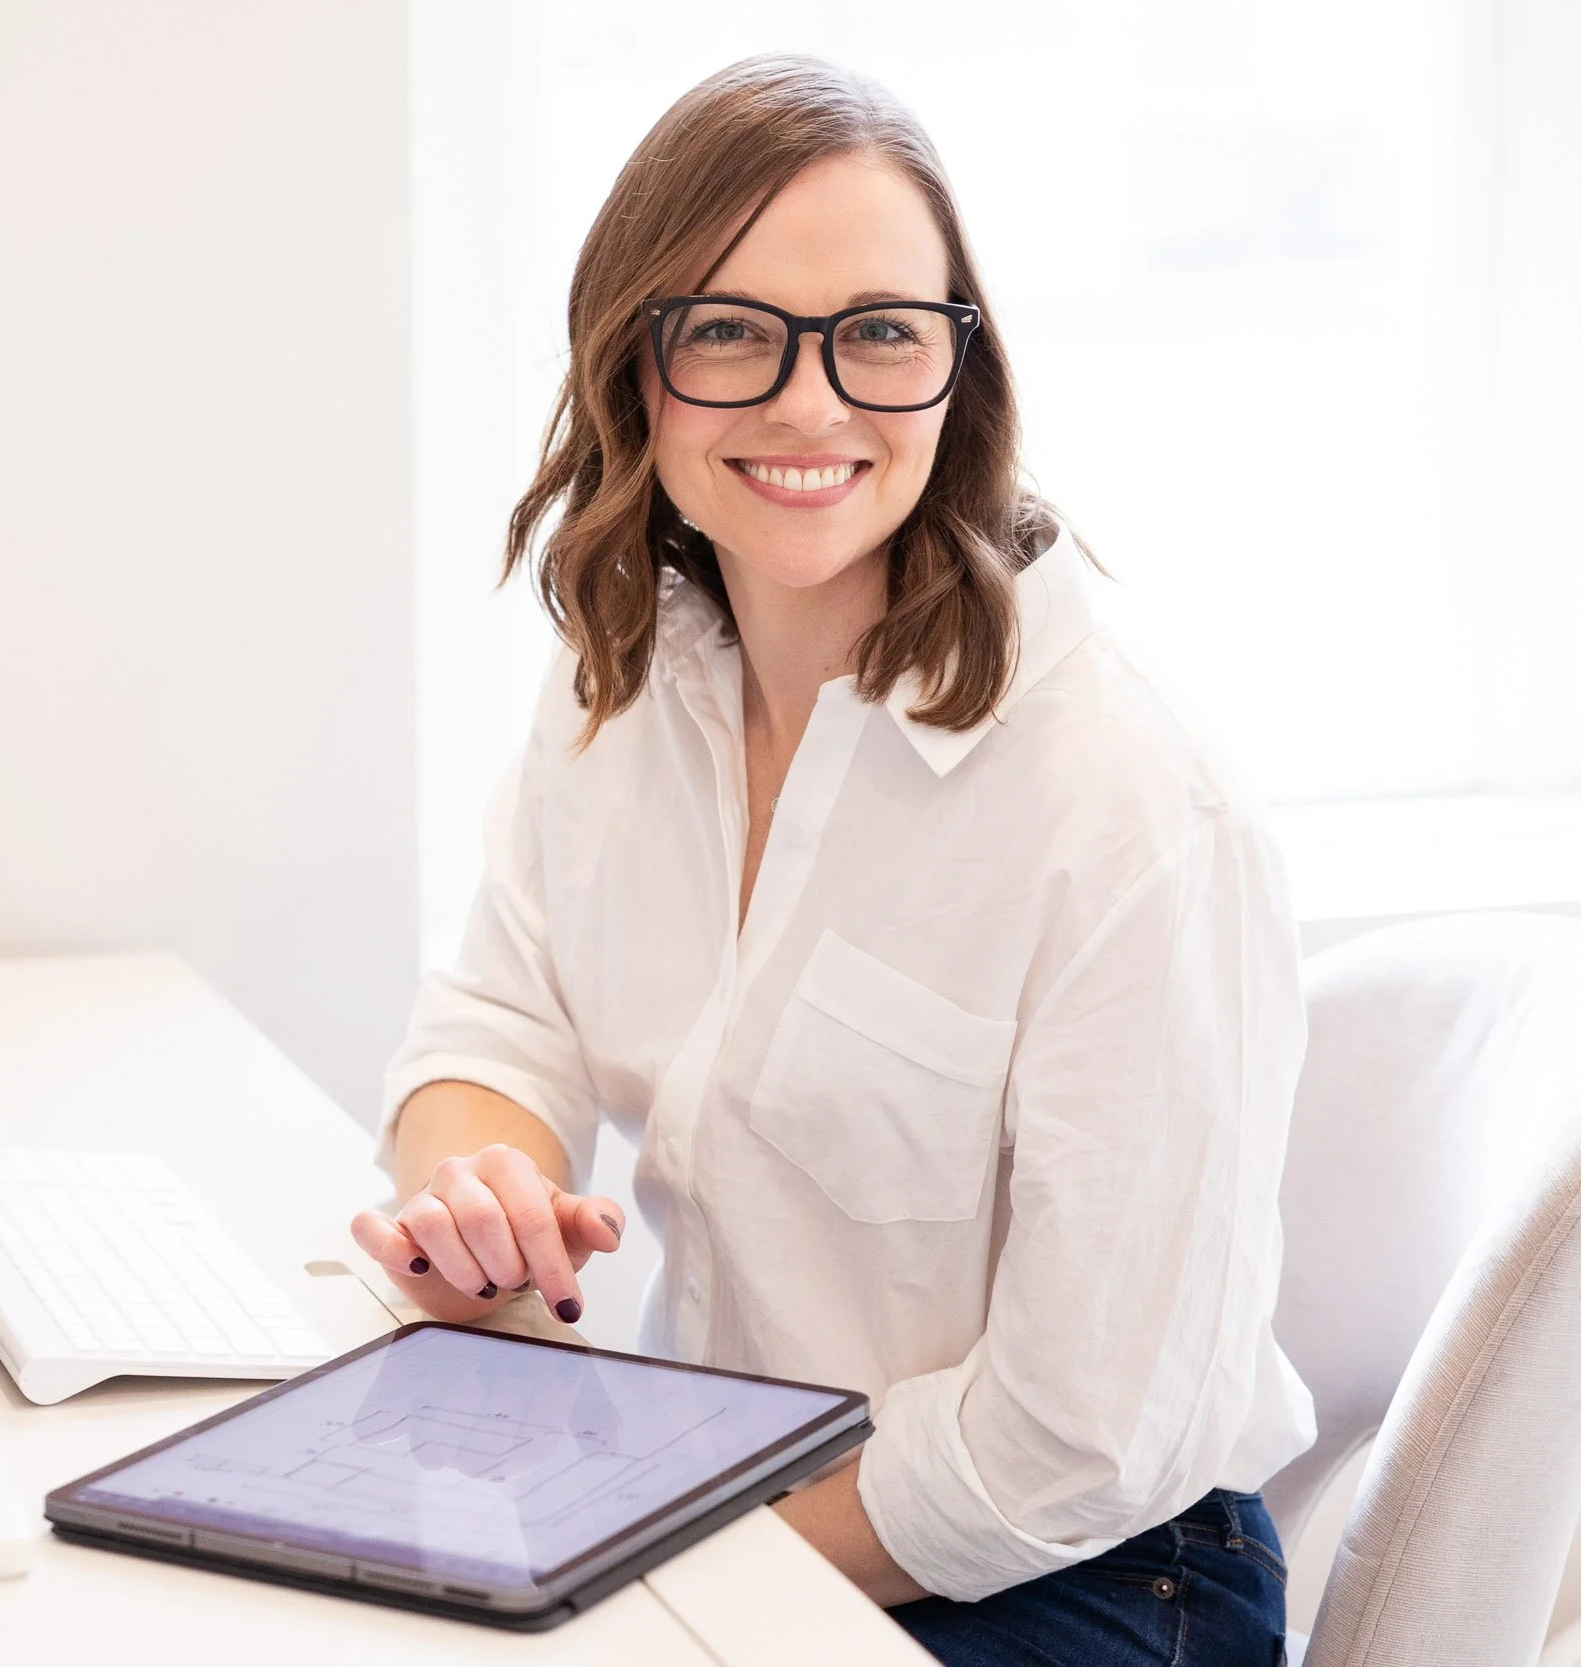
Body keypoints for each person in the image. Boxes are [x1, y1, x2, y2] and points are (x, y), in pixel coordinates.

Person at [350, 54, 1313, 1666]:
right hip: (733, 1488)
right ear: (635, 365)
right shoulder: (628, 681)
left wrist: (645, 1554)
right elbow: (496, 1026)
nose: (812, 403)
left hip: (1090, 1575)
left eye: (879, 331)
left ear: (957, 371)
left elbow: (1084, 1442)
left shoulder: (1137, 815)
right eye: (730, 329)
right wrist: (483, 1186)